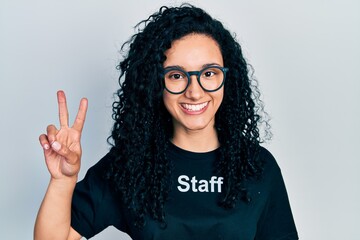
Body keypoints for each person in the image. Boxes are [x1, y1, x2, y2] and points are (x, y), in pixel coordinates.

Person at [34, 4, 298, 240]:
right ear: (155, 83)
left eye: (209, 73)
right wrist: (62, 181)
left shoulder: (258, 167)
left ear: (227, 78)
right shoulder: (132, 165)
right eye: (176, 76)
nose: (195, 91)